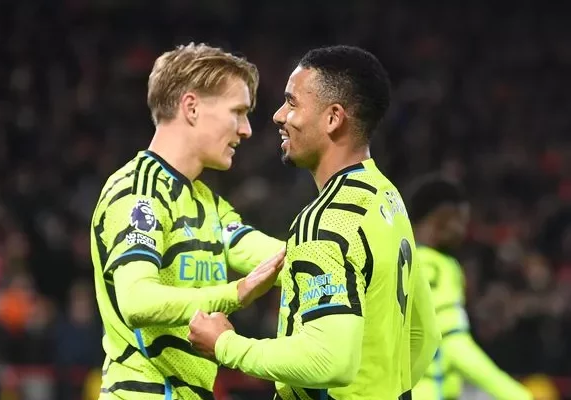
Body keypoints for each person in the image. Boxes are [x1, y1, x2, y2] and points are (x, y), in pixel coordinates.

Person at [188, 45, 440, 399]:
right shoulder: (386, 198)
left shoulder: (325, 222)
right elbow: (424, 336)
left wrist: (225, 345)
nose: (278, 116)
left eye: (291, 103)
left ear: (333, 118)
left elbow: (329, 361)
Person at [90, 42, 285, 399]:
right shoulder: (139, 192)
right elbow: (137, 300)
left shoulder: (207, 203)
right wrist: (234, 294)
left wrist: (341, 257)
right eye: (237, 112)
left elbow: (270, 257)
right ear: (191, 107)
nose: (246, 130)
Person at [406, 175, 533, 400]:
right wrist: (518, 395)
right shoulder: (436, 266)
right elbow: (453, 343)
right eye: (460, 221)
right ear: (441, 219)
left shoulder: (401, 258)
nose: (463, 230)